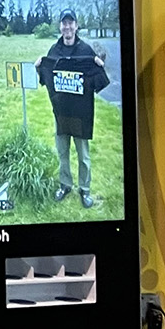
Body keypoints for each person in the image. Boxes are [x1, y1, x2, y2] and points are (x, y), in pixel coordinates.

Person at [36, 11, 110, 208]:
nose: (67, 27)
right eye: (64, 23)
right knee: (62, 153)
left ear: (76, 26)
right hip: (61, 113)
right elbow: (46, 77)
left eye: (70, 23)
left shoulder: (85, 50)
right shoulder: (54, 51)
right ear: (60, 27)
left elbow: (99, 79)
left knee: (83, 156)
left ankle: (84, 190)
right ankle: (65, 185)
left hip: (81, 114)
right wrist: (39, 68)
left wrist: (99, 66)